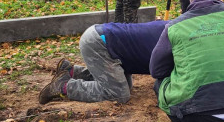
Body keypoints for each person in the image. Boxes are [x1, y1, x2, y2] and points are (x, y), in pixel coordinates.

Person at [39, 19, 167, 105]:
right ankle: (64, 85)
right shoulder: (178, 40)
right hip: (99, 44)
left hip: (109, 44)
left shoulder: (175, 27)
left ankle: (71, 71)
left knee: (126, 86)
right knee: (118, 94)